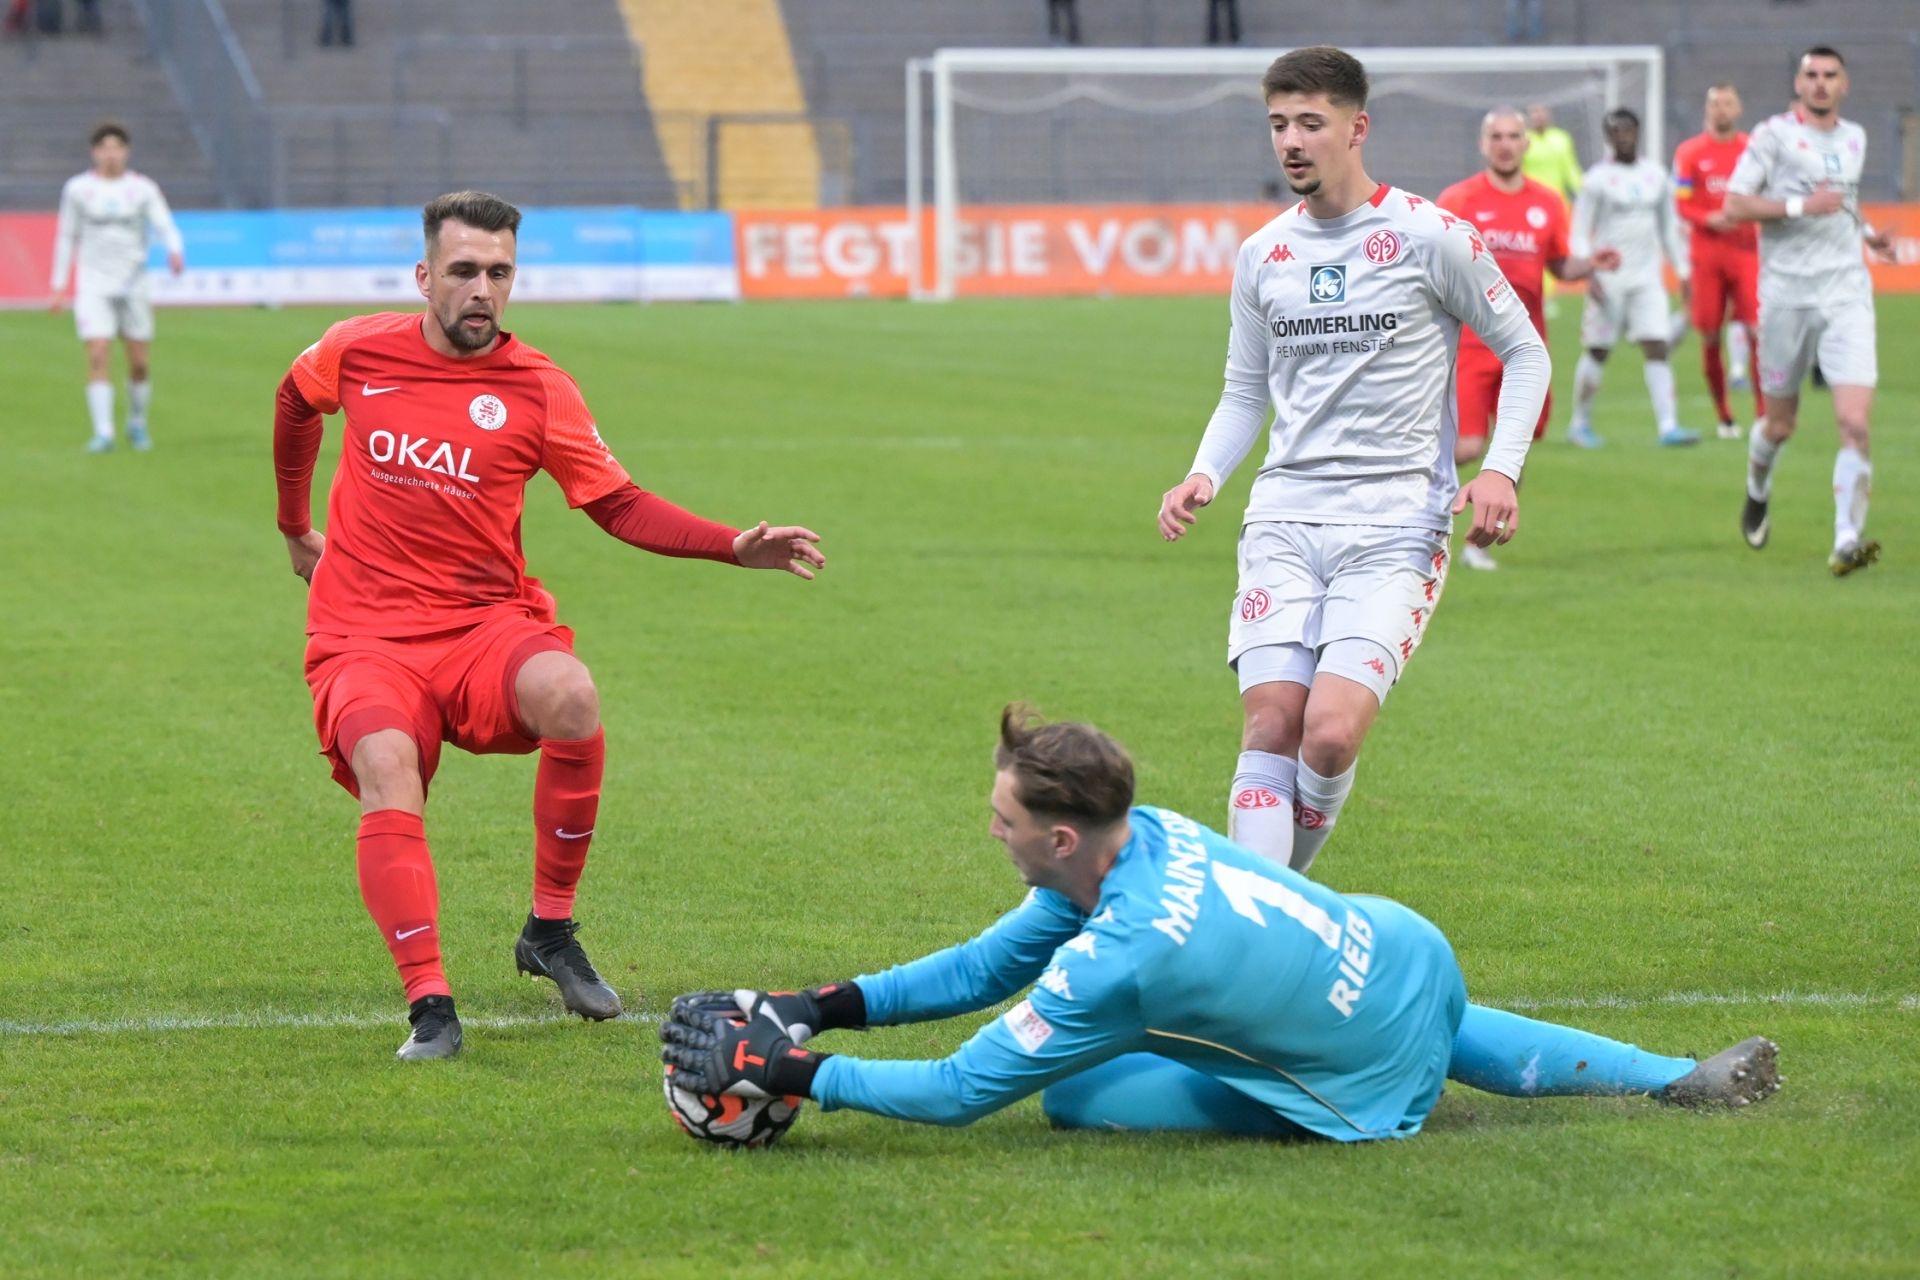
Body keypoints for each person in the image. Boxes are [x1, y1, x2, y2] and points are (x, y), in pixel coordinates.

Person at [659, 706, 1781, 1139]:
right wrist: (824, 1006)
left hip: (1365, 1073)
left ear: (1061, 837)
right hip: (1408, 950)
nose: (989, 828)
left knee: (1078, 1088)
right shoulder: (1148, 829)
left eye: (1003, 816)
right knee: (1372, 996)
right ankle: (1674, 1073)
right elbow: (995, 959)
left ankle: (1392, 1081)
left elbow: (960, 1091)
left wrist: (798, 1071)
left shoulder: (1119, 957)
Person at [272, 190, 827, 1060]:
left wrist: (732, 547)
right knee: (387, 761)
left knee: (571, 695)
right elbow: (294, 402)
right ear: (425, 277)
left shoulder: (538, 388)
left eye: (499, 272)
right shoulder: (356, 349)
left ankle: (549, 932)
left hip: (482, 623)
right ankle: (431, 1005)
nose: (481, 290)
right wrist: (291, 523)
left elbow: (618, 504)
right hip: (364, 632)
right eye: (463, 271)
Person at [1154, 48, 1548, 875]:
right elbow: (1243, 390)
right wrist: (1203, 474)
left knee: (1328, 735)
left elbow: (1525, 351)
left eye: (1310, 123)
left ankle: (1273, 914)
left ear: (1356, 128)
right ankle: (1259, 945)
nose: (1291, 142)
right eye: (1278, 125)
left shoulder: (1431, 236)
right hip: (1284, 518)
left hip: (1397, 521)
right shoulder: (1264, 255)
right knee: (1270, 725)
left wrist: (1502, 467)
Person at [1726, 48, 1894, 576]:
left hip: (1846, 293)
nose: (1820, 84)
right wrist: (1799, 206)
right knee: (1779, 425)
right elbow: (1734, 204)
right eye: (1811, 76)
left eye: (1830, 76)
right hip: (1785, 298)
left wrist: (1869, 234)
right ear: (1798, 83)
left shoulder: (1856, 137)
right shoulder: (1772, 136)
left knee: (1854, 422)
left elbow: (1843, 200)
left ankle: (1846, 538)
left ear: (1844, 85)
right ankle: (1757, 491)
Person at [1439, 108, 1621, 571]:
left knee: (1515, 444)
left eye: (1513, 136)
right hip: (1472, 344)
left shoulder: (1547, 202)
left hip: (1525, 347)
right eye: (1496, 136)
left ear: (1526, 145)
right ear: (1484, 144)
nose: (1505, 144)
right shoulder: (1458, 200)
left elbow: (1560, 265)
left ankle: (1478, 543)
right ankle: (1419, 507)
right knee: (1467, 448)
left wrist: (1591, 263)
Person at [1564, 108, 1698, 449]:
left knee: (1657, 346)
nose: (1623, 136)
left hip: (1647, 278)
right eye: (1615, 132)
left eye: (1628, 130)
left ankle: (1669, 425)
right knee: (1598, 349)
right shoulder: (1595, 180)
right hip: (1609, 279)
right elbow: (1580, 232)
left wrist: (1682, 271)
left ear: (1637, 133)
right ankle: (1579, 424)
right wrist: (1587, 271)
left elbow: (1668, 228)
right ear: (1608, 137)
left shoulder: (1656, 176)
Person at [49, 122, 184, 453]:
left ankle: (136, 423)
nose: (111, 154)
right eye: (104, 148)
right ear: (95, 152)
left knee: (138, 361)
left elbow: (164, 222)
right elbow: (67, 235)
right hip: (93, 284)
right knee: (97, 353)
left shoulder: (142, 189)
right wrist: (58, 284)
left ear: (126, 151)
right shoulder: (78, 189)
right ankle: (104, 432)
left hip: (133, 283)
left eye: (117, 147)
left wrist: (175, 248)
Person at [1673, 84, 1764, 440]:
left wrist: (1748, 212)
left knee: (1757, 329)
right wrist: (1707, 218)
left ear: (1738, 108)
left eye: (1727, 103)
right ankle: (1724, 415)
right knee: (1711, 334)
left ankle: (1761, 413)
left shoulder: (1752, 150)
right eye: (1715, 104)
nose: (1721, 109)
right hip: (1707, 254)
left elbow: (1767, 192)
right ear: (1707, 110)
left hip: (1745, 250)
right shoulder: (1690, 153)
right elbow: (1682, 201)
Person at [1521, 104, 1581, 210]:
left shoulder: (1561, 138)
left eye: (1542, 111)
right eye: (1534, 112)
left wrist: (1585, 192)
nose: (1538, 116)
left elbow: (1571, 171)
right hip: (1531, 204)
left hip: (1558, 202)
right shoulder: (1522, 140)